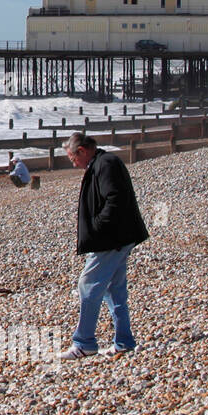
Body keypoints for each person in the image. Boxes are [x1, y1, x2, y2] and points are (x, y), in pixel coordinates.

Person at [58, 132, 150, 360]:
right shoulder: (102, 163)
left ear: (81, 150)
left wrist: (98, 228)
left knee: (87, 284)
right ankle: (124, 341)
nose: (73, 163)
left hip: (112, 239)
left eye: (72, 158)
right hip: (119, 237)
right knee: (113, 289)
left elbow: (115, 199)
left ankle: (84, 342)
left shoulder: (105, 163)